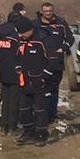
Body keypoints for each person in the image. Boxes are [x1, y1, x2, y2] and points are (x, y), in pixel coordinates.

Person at [15, 18, 54, 147]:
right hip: (24, 82)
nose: (20, 36)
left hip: (40, 83)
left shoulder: (42, 40)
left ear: (30, 30)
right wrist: (17, 68)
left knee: (40, 110)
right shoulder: (21, 41)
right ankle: (28, 131)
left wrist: (44, 76)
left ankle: (41, 134)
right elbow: (17, 58)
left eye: (23, 33)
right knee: (24, 109)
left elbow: (53, 60)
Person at [33, 2, 74, 125]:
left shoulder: (61, 23)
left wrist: (64, 47)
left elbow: (70, 38)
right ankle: (40, 114)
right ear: (41, 11)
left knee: (53, 89)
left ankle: (52, 114)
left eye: (50, 11)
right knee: (40, 89)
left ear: (53, 10)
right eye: (45, 11)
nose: (48, 13)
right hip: (39, 63)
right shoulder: (35, 24)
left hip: (56, 62)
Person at [0, 14, 28, 135]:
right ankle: (12, 127)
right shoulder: (16, 38)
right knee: (14, 101)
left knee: (6, 100)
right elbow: (22, 54)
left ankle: (4, 126)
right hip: (16, 72)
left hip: (4, 71)